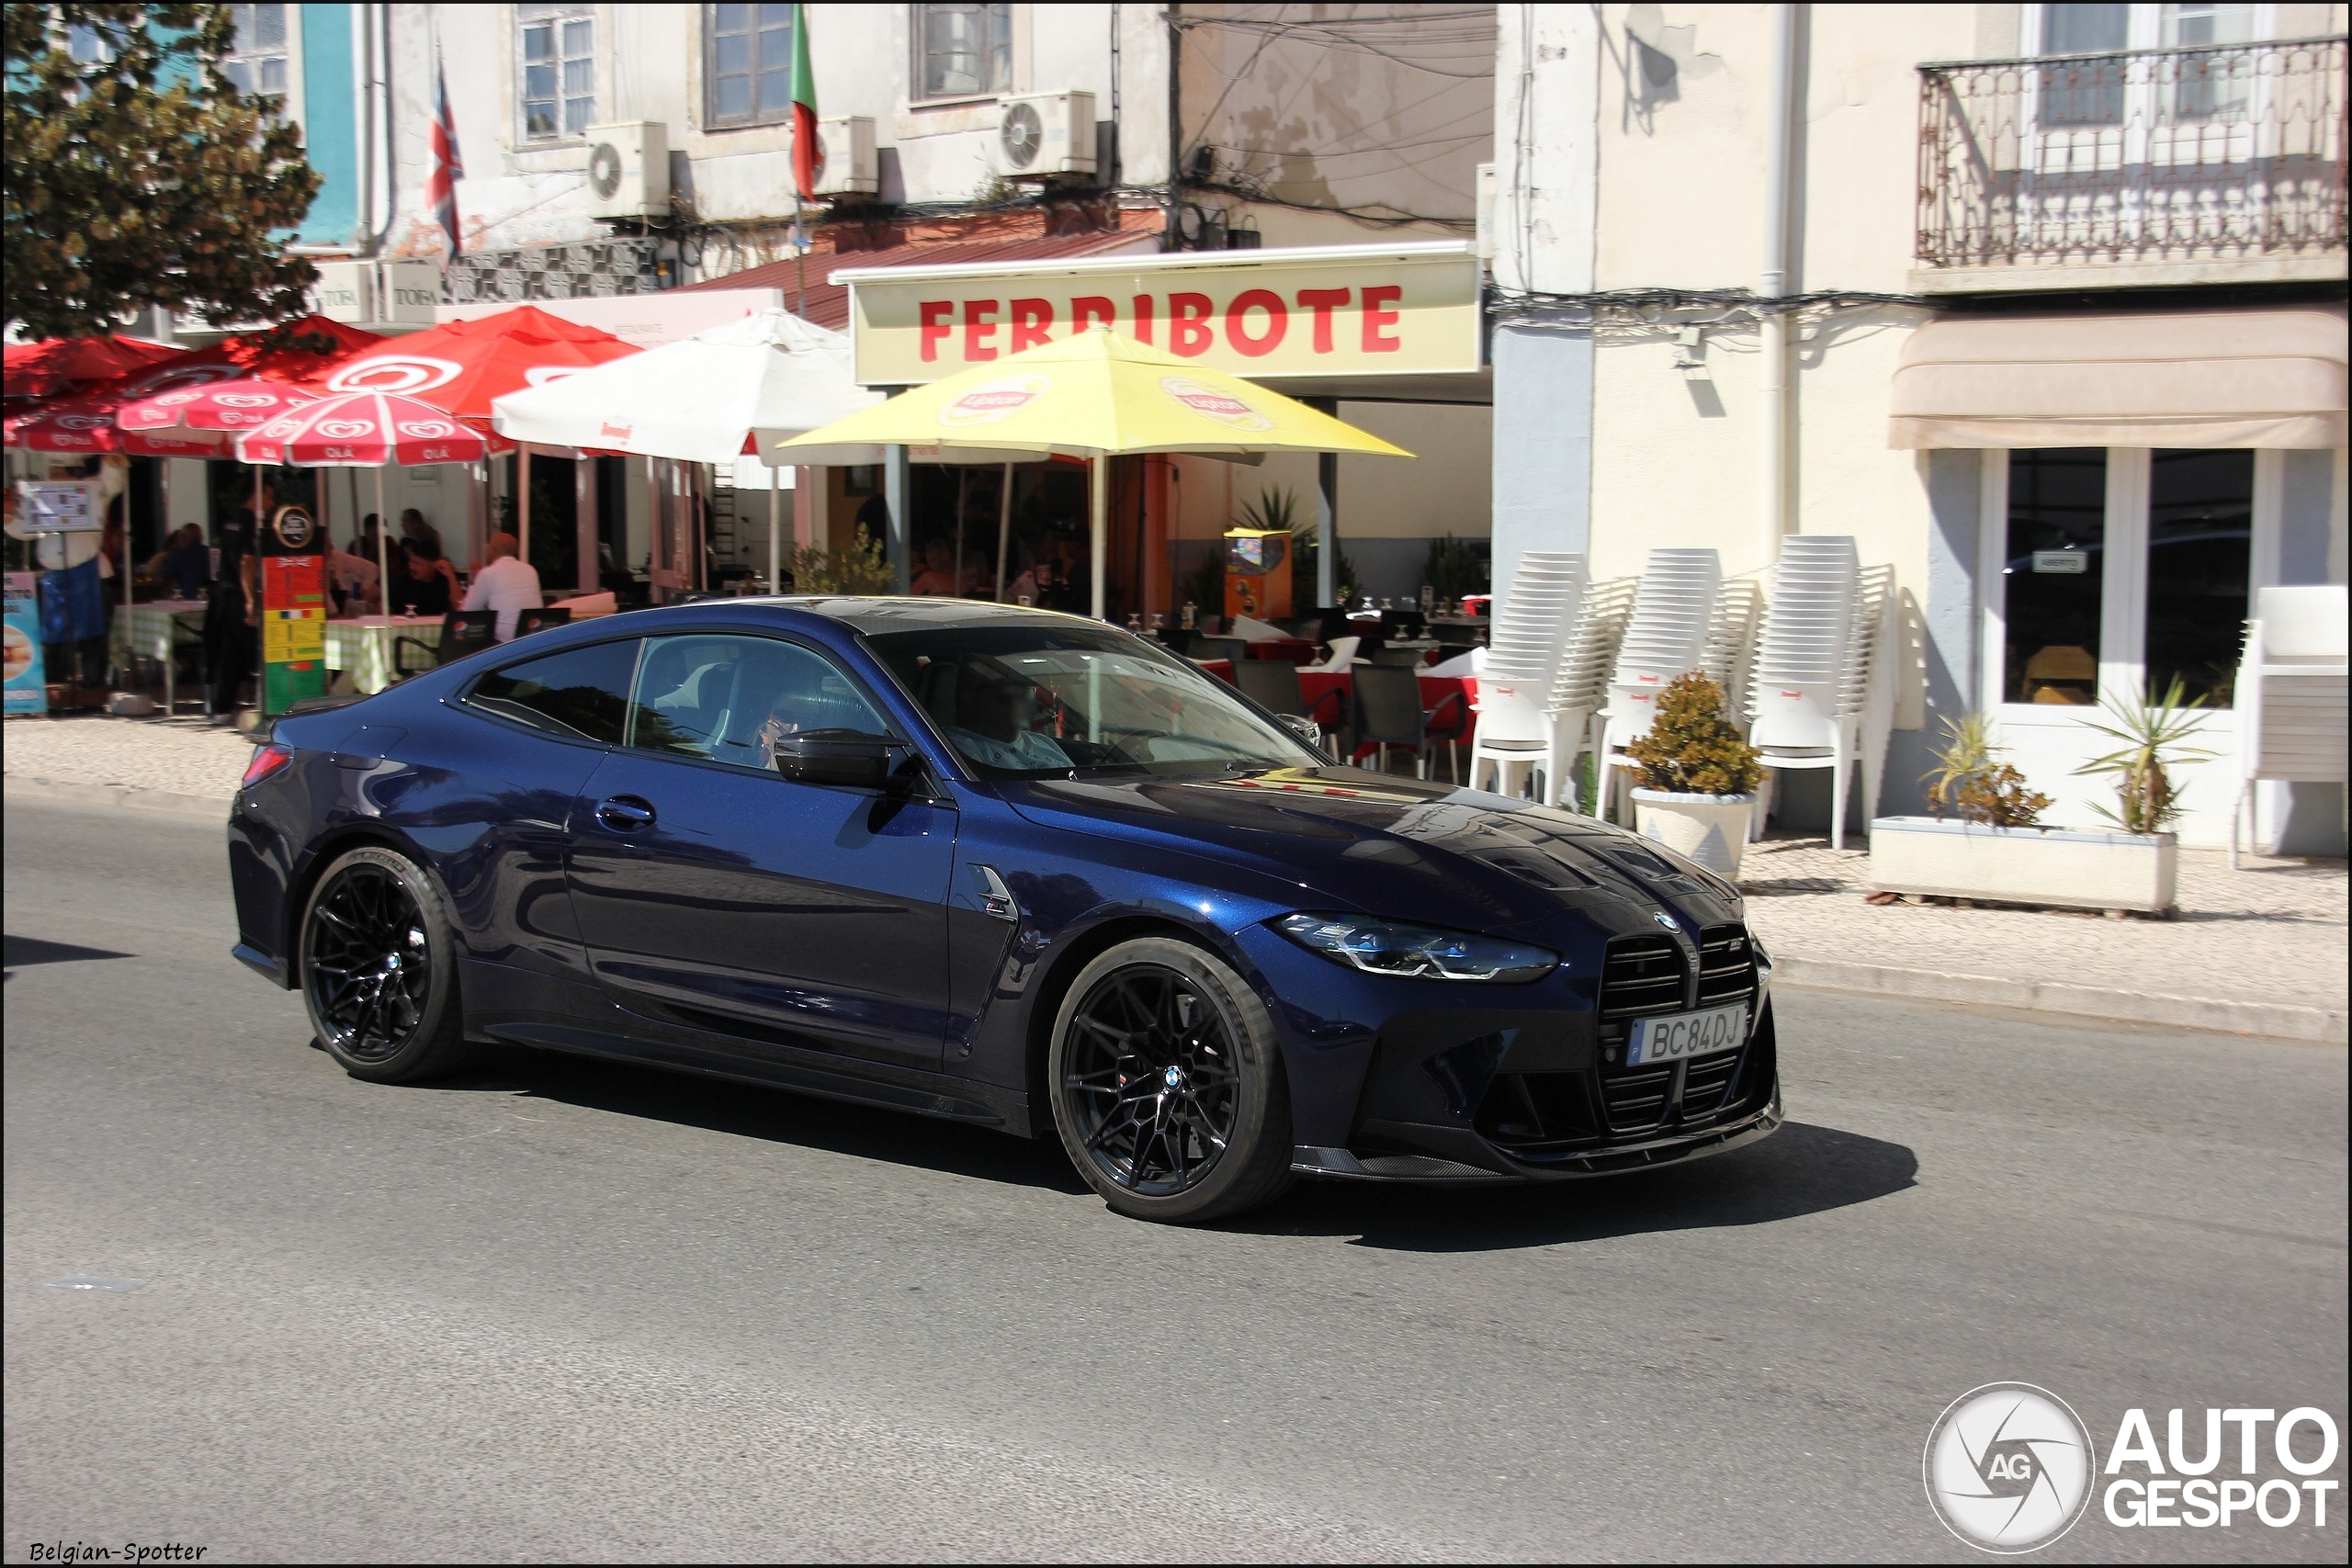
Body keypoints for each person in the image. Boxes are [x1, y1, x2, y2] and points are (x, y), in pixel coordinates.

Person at [203, 499, 264, 725]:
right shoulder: (248, 521)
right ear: (260, 494)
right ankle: (263, 706)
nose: (271, 502)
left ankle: (222, 707)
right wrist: (250, 600)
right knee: (255, 651)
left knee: (231, 653)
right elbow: (246, 561)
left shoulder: (231, 521)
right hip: (240, 595)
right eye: (270, 497)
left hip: (224, 595)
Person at [944, 674, 1071, 772]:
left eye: (1023, 693)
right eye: (1002, 696)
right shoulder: (960, 747)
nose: (1014, 704)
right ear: (973, 699)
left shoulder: (1043, 741)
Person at [461, 530, 543, 640]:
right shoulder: (530, 570)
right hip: (534, 636)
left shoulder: (488, 573)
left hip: (504, 641)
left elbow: (470, 611)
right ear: (516, 551)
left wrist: (473, 582)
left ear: (492, 550)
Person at [389, 536, 459, 617]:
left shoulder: (444, 579)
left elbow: (459, 607)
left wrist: (451, 576)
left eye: (417, 563)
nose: (411, 567)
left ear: (434, 564)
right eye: (411, 561)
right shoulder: (403, 581)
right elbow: (386, 608)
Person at [324, 530, 379, 615]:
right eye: (327, 544)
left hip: (345, 608)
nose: (331, 546)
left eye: (330, 543)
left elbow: (372, 568)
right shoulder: (312, 565)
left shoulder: (337, 557)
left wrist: (363, 592)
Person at [161, 525, 210, 601]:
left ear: (183, 537)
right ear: (201, 537)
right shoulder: (212, 553)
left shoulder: (179, 554)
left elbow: (164, 579)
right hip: (211, 600)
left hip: (188, 600)